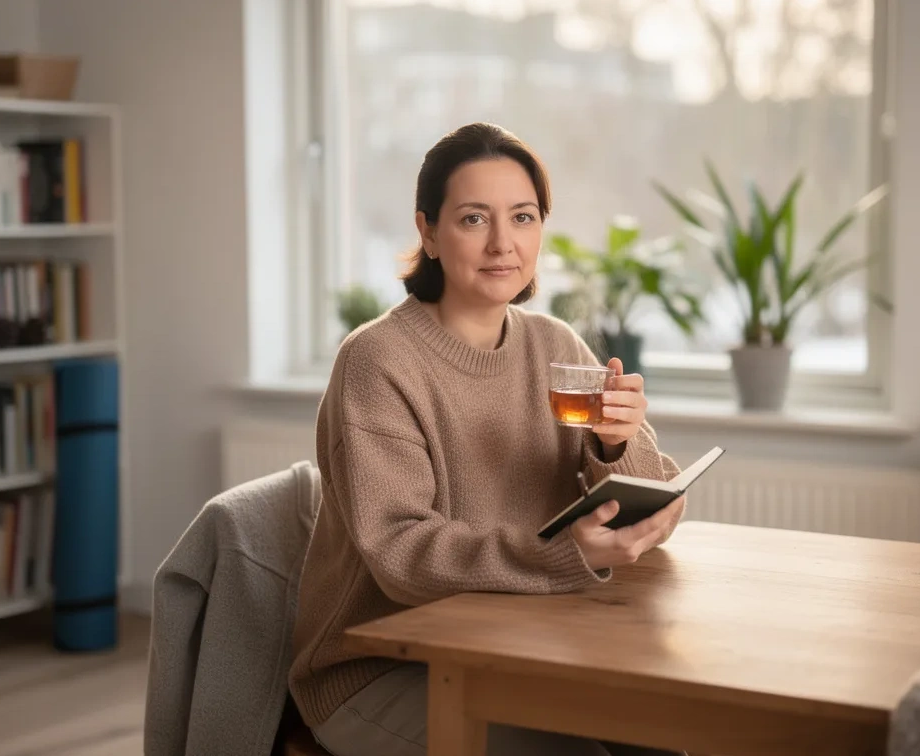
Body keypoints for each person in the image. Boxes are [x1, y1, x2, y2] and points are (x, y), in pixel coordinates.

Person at [287, 122, 687, 756]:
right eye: (474, 219)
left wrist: (617, 446)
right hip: (385, 669)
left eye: (523, 217)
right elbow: (402, 555)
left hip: (527, 642)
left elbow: (657, 501)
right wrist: (562, 553)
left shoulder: (554, 344)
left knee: (670, 733)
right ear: (428, 232)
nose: (504, 243)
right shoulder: (377, 361)